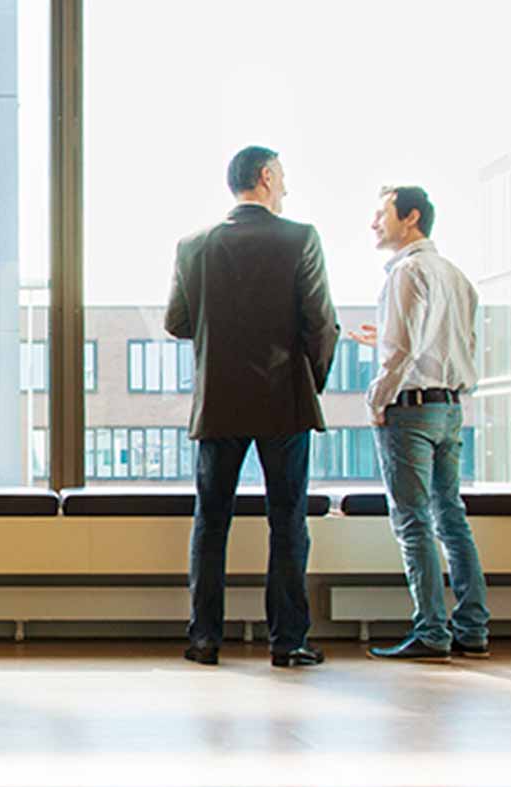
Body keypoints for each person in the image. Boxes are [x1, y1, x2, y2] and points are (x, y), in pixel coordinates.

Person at [164, 146, 339, 668]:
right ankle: (287, 642)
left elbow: (176, 321)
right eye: (282, 176)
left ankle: (204, 639)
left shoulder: (193, 245)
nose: (285, 187)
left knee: (210, 521)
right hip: (284, 401)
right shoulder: (300, 238)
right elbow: (321, 324)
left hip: (218, 402)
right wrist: (313, 382)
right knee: (287, 521)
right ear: (264, 177)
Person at [350, 185, 491, 661]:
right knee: (451, 517)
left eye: (381, 213)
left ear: (410, 218)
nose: (374, 223)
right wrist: (387, 345)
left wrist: (377, 398)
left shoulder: (407, 271)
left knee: (412, 522)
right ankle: (472, 627)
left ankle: (432, 631)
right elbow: (454, 345)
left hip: (410, 410)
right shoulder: (456, 276)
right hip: (449, 407)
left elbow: (406, 349)